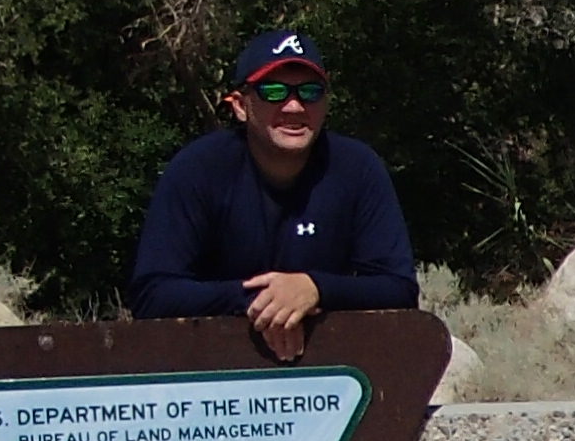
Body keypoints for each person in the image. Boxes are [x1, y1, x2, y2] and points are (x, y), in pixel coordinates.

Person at [127, 28, 419, 357]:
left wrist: (315, 289)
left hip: (330, 366)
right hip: (213, 366)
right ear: (240, 106)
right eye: (274, 91)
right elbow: (153, 294)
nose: (294, 106)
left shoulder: (358, 168)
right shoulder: (198, 169)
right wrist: (265, 302)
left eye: (310, 92)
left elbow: (398, 288)